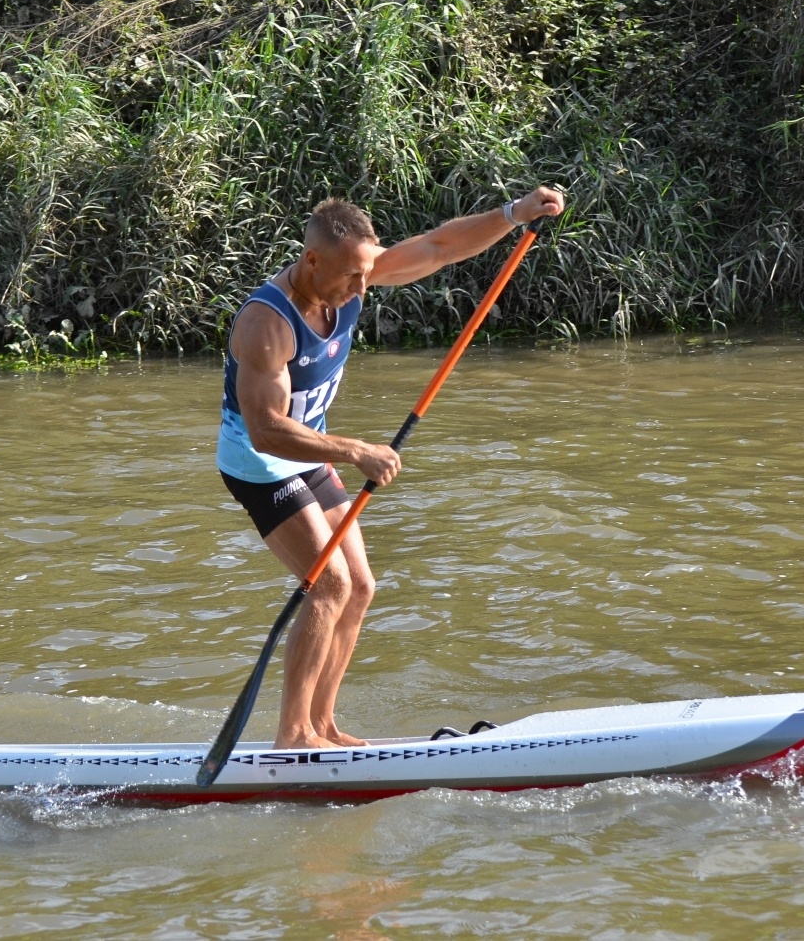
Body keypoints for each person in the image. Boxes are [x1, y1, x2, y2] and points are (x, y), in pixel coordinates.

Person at [218, 187, 566, 749]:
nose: (363, 287)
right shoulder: (267, 323)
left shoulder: (353, 275)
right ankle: (293, 736)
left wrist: (513, 214)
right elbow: (266, 429)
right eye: (353, 276)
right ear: (312, 260)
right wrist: (356, 450)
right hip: (259, 465)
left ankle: (324, 725)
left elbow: (439, 246)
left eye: (366, 274)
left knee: (360, 587)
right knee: (328, 585)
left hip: (309, 455)